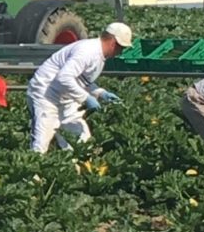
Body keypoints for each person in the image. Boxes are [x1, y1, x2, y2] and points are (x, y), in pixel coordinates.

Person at [26, 22, 132, 153]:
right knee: (41, 142)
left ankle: (71, 169)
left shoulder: (99, 55)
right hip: (46, 94)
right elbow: (63, 77)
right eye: (121, 48)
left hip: (64, 98)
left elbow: (81, 80)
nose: (120, 52)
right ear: (113, 42)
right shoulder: (88, 51)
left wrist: (100, 92)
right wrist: (86, 98)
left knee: (82, 138)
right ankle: (31, 171)